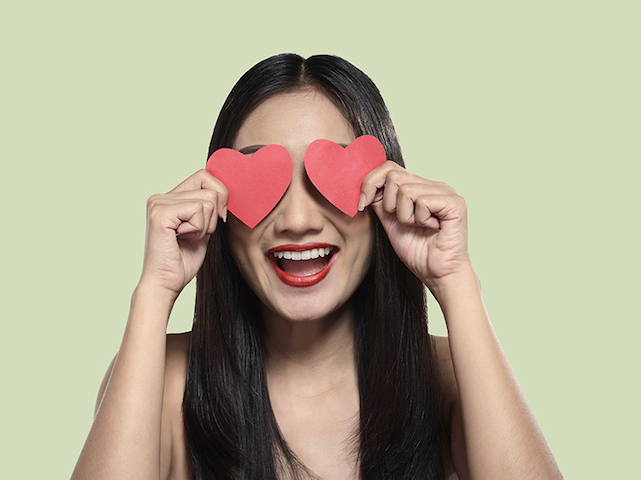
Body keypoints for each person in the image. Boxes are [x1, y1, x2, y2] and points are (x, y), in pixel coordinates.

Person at [71, 54, 563, 480]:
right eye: (265, 181)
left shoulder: (448, 376)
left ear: (383, 196)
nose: (298, 221)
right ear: (218, 204)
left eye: (328, 180)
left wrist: (456, 280)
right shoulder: (162, 378)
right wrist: (154, 291)